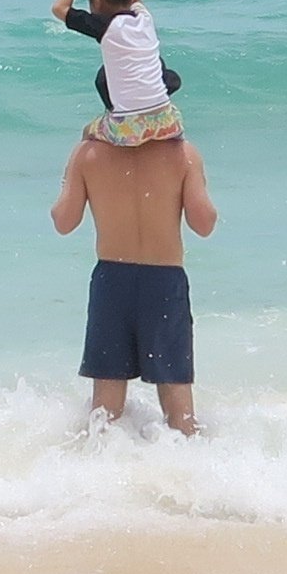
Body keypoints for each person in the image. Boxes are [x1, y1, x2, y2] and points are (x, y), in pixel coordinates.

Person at [53, 116, 217, 432]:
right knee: (176, 396)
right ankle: (189, 471)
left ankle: (98, 471)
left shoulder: (87, 153)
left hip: (112, 282)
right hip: (164, 282)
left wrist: (72, 172)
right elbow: (204, 224)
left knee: (106, 408)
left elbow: (64, 221)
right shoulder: (183, 154)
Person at [52, 0, 180, 145]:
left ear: (95, 2)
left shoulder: (107, 26)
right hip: (166, 119)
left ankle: (71, 174)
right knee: (161, 68)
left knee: (88, 131)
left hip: (127, 126)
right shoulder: (145, 18)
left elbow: (59, 8)